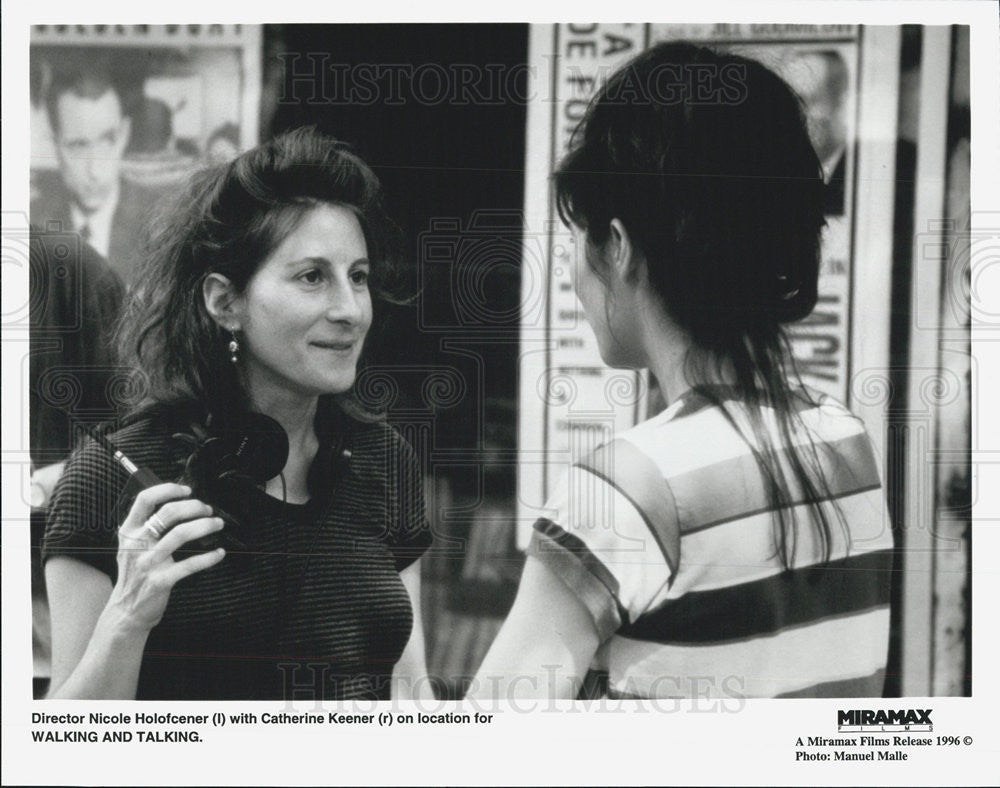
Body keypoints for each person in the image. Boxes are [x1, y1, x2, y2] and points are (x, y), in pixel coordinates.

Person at [472, 42, 893, 700]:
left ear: (618, 246)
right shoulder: (845, 441)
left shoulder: (628, 490)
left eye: (578, 236)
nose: (572, 272)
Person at [42, 127, 433, 700]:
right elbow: (61, 746)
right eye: (312, 277)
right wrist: (127, 618)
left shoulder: (383, 459)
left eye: (359, 277)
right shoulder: (108, 479)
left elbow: (409, 690)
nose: (350, 310)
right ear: (226, 303)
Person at [32, 67, 160, 284]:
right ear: (55, 145)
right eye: (77, 146)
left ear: (124, 135)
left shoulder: (161, 222)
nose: (95, 170)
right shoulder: (31, 223)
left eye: (107, 141)